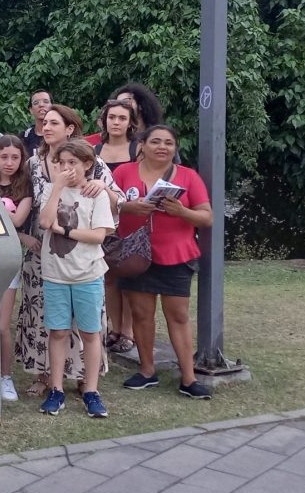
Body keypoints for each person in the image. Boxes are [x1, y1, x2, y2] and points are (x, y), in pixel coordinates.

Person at [15, 105, 122, 398]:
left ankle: (82, 379)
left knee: (85, 322)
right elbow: (21, 200)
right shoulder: (34, 163)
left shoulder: (93, 162)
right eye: (43, 122)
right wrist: (23, 235)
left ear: (70, 128)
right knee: (44, 317)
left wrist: (102, 186)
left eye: (53, 123)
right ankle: (44, 375)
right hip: (40, 251)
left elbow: (117, 201)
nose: (45, 127)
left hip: (81, 255)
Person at [113, 125, 213, 399]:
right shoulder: (124, 173)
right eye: (155, 141)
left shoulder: (188, 177)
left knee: (178, 315)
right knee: (142, 315)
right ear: (142, 145)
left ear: (175, 148)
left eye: (168, 143)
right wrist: (128, 207)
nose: (162, 147)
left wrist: (182, 211)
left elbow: (207, 217)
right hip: (135, 254)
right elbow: (107, 204)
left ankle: (189, 378)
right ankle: (147, 371)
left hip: (176, 255)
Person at [37, 140, 115, 418]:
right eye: (62, 163)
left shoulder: (97, 194)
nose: (68, 168)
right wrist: (57, 187)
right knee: (57, 332)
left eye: (74, 163)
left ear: (87, 164)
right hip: (55, 273)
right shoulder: (50, 189)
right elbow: (45, 222)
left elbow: (98, 235)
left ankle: (91, 391)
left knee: (90, 333)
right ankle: (56, 389)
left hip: (88, 273)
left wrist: (65, 231)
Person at [93, 99, 141, 355]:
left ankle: (129, 332)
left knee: (128, 277)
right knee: (109, 277)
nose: (116, 122)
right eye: (112, 117)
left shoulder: (138, 149)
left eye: (122, 118)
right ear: (105, 120)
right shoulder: (95, 149)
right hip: (103, 221)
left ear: (130, 122)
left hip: (131, 219)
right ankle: (114, 329)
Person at [0, 135, 33, 402]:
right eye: (4, 157)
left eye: (15, 157)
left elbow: (17, 219)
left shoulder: (23, 186)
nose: (9, 162)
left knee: (2, 325)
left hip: (7, 259)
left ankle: (5, 377)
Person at [22, 90, 52, 156]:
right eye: (36, 103)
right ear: (31, 110)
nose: (41, 105)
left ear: (52, 106)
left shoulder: (61, 135)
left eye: (46, 102)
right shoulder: (24, 137)